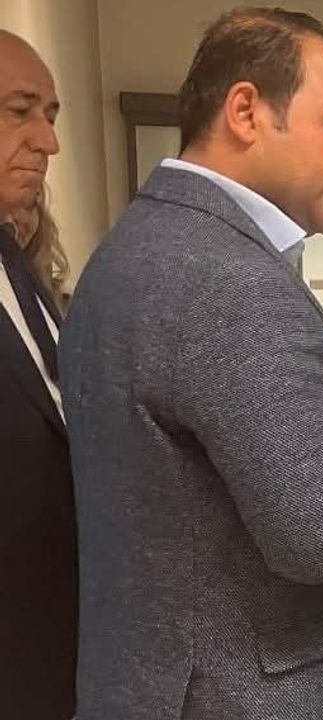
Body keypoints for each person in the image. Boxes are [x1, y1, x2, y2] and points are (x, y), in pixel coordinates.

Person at [60, 9, 323, 719]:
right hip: (252, 694)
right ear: (246, 111)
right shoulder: (228, 279)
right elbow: (318, 530)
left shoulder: (132, 246)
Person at [0, 28, 77, 720]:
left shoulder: (19, 263)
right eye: (19, 110)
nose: (47, 142)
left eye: (49, 116)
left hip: (57, 651)